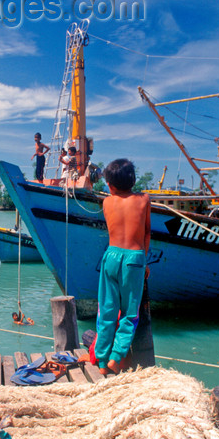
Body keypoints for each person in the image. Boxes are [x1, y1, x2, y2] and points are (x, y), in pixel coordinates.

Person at [94, 159, 150, 376]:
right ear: (133, 180)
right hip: (134, 259)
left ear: (110, 184)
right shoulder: (144, 199)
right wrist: (143, 262)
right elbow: (146, 232)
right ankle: (116, 358)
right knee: (130, 313)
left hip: (111, 255)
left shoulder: (107, 202)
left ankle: (101, 359)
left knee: (107, 309)